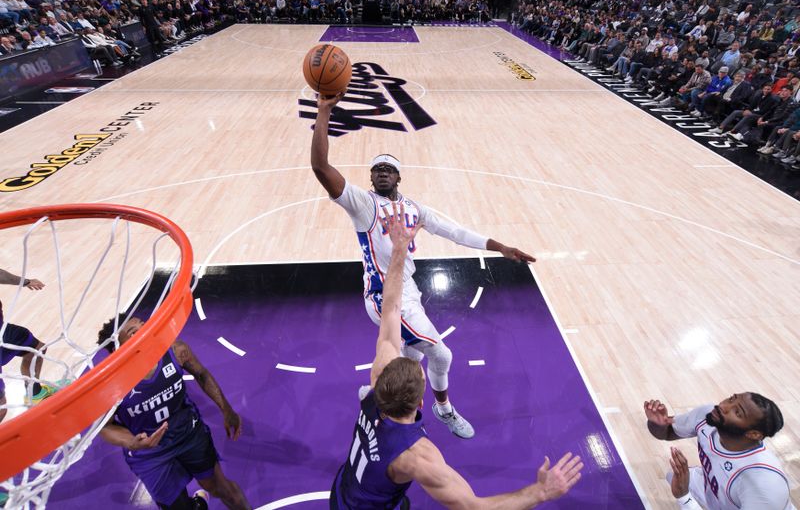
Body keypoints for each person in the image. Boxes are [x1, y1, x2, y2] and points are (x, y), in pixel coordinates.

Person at [311, 92, 535, 439]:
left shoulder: (416, 208)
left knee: (409, 358)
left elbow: (456, 231)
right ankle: (443, 408)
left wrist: (500, 247)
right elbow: (321, 168)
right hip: (384, 295)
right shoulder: (362, 204)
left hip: (409, 290)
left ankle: (374, 393)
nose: (382, 173)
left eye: (388, 169)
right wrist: (323, 113)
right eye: (377, 169)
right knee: (441, 354)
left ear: (398, 176)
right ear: (371, 177)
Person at [331, 203, 583, 508]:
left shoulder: (375, 387)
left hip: (345, 492)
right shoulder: (418, 456)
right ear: (421, 400)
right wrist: (541, 492)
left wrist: (398, 250)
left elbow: (391, 308)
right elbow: (474, 507)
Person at [97, 316, 250, 510]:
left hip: (189, 434)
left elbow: (201, 374)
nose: (146, 331)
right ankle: (199, 504)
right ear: (117, 348)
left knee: (222, 489)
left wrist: (226, 409)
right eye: (134, 332)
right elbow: (104, 426)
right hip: (149, 454)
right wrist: (130, 441)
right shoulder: (109, 383)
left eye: (143, 325)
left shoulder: (176, 350)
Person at [644, 395, 794, 509]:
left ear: (753, 434)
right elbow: (668, 433)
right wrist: (658, 424)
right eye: (731, 399)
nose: (723, 406)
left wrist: (684, 497)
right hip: (718, 495)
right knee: (672, 476)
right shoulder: (707, 415)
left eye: (737, 412)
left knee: (682, 489)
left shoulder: (764, 484)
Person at [0, 268, 61, 423]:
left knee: (36, 349)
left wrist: (26, 282)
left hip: (3, 332)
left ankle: (35, 393)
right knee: (1, 409)